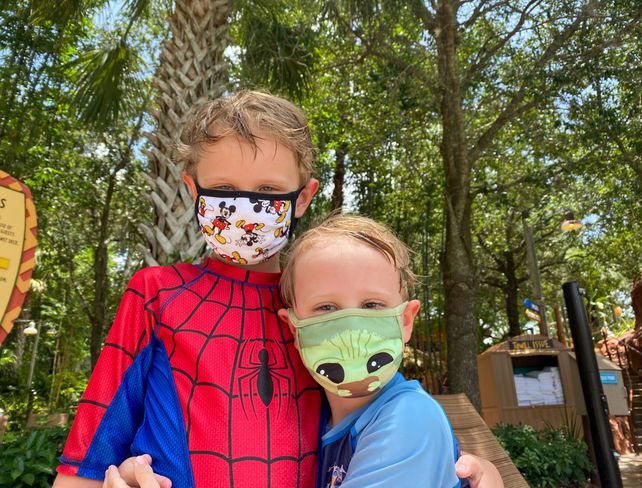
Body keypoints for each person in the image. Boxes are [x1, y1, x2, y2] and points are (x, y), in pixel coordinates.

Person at [55, 90, 503, 488]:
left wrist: (462, 466)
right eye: (225, 189)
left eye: (268, 191)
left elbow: (375, 405)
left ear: (303, 198)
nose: (246, 208)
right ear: (194, 190)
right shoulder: (156, 294)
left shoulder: (319, 308)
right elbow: (87, 459)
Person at [277, 213, 461, 486]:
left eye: (372, 305)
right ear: (294, 329)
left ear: (405, 321)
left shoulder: (410, 419)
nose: (350, 325)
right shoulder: (321, 421)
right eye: (326, 307)